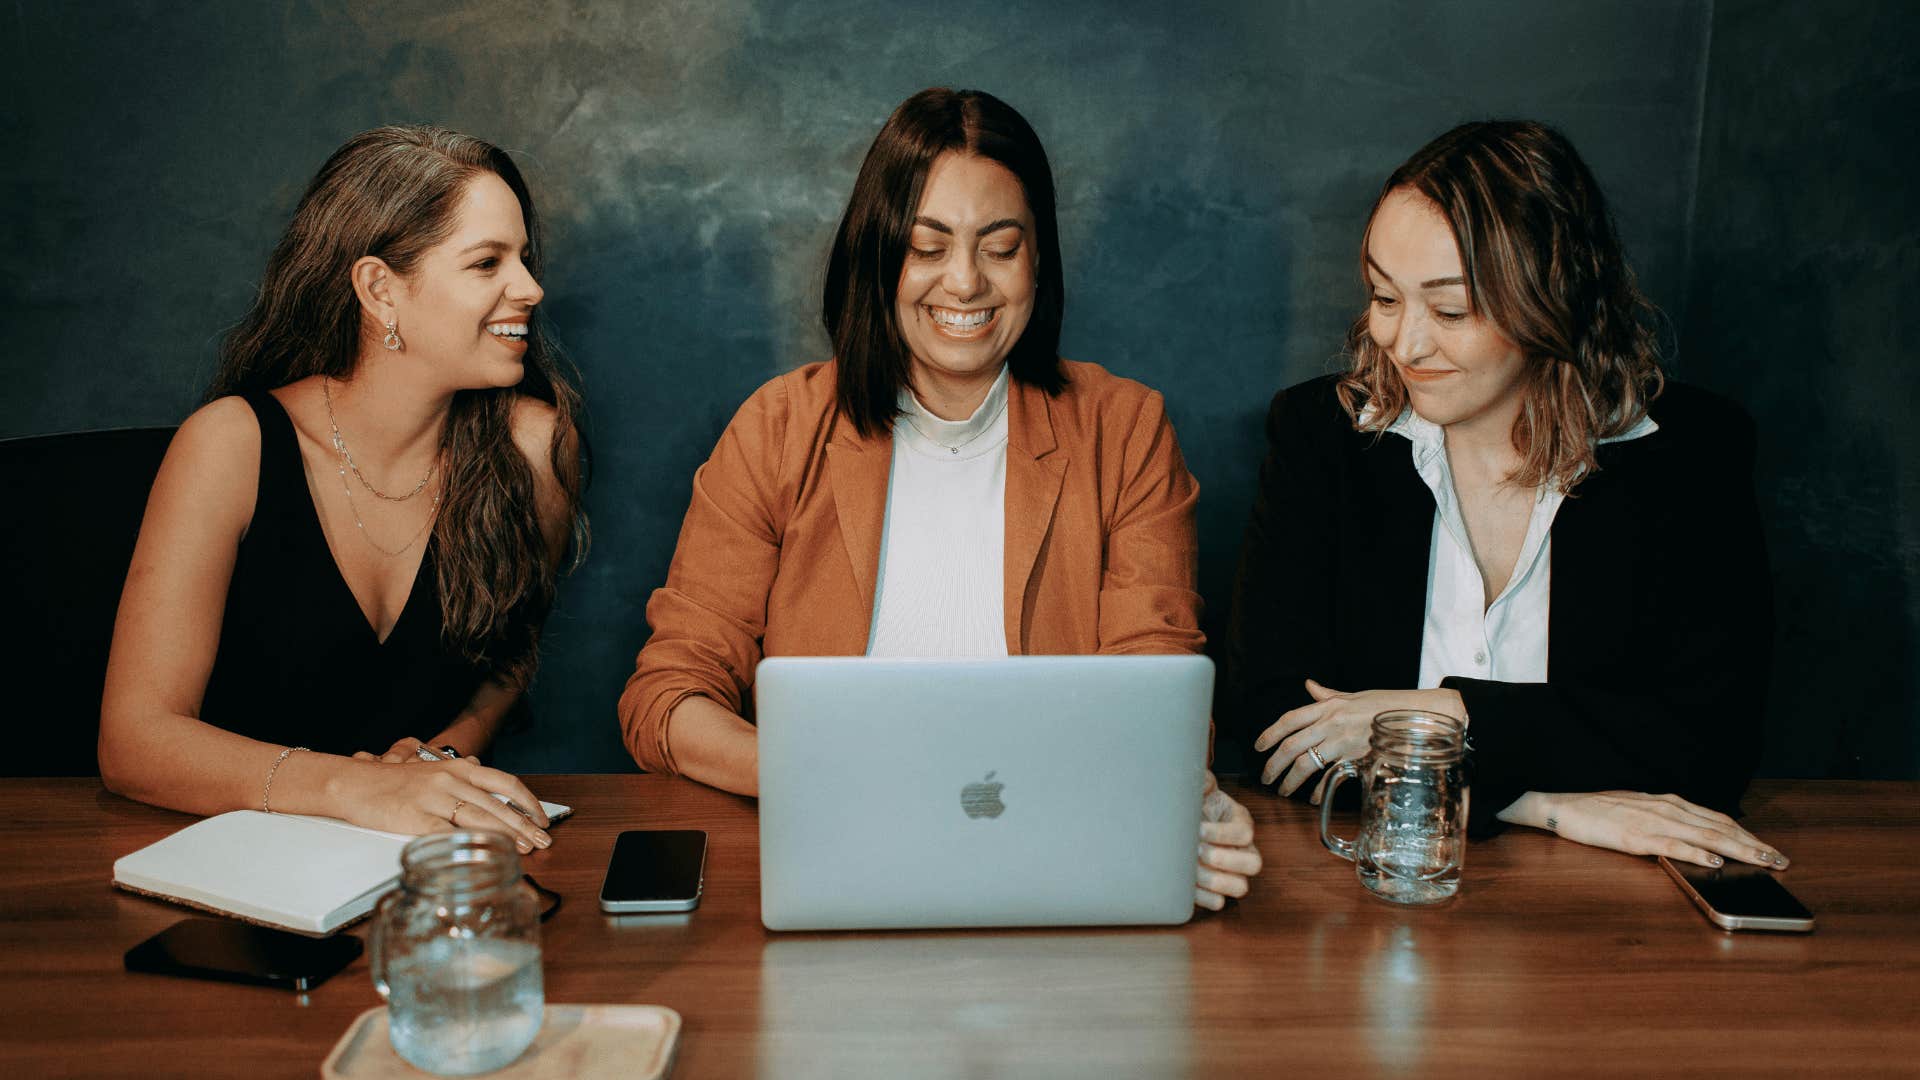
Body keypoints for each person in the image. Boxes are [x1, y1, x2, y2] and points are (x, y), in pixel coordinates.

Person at [619, 88, 1261, 910]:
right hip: (832, 854)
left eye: (1001, 247)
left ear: (1039, 262)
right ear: (878, 255)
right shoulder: (777, 429)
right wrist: (821, 776)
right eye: (928, 247)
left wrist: (1178, 803)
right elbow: (667, 695)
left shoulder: (1124, 428)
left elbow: (1156, 689)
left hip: (1051, 859)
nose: (965, 283)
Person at [1225, 120, 1786, 871]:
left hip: (1601, 920)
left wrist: (1430, 714)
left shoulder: (1688, 453)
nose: (1405, 343)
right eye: (1384, 298)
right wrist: (1544, 804)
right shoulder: (1321, 437)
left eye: (1450, 311)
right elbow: (1274, 725)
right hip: (1376, 881)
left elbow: (1705, 743)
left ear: (1552, 300)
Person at [99, 126, 586, 853]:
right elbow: (134, 741)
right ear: (378, 289)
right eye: (487, 262)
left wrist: (442, 759)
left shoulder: (535, 448)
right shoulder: (230, 444)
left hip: (421, 863)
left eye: (525, 258)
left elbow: (509, 660)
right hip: (229, 862)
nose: (531, 288)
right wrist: (357, 789)